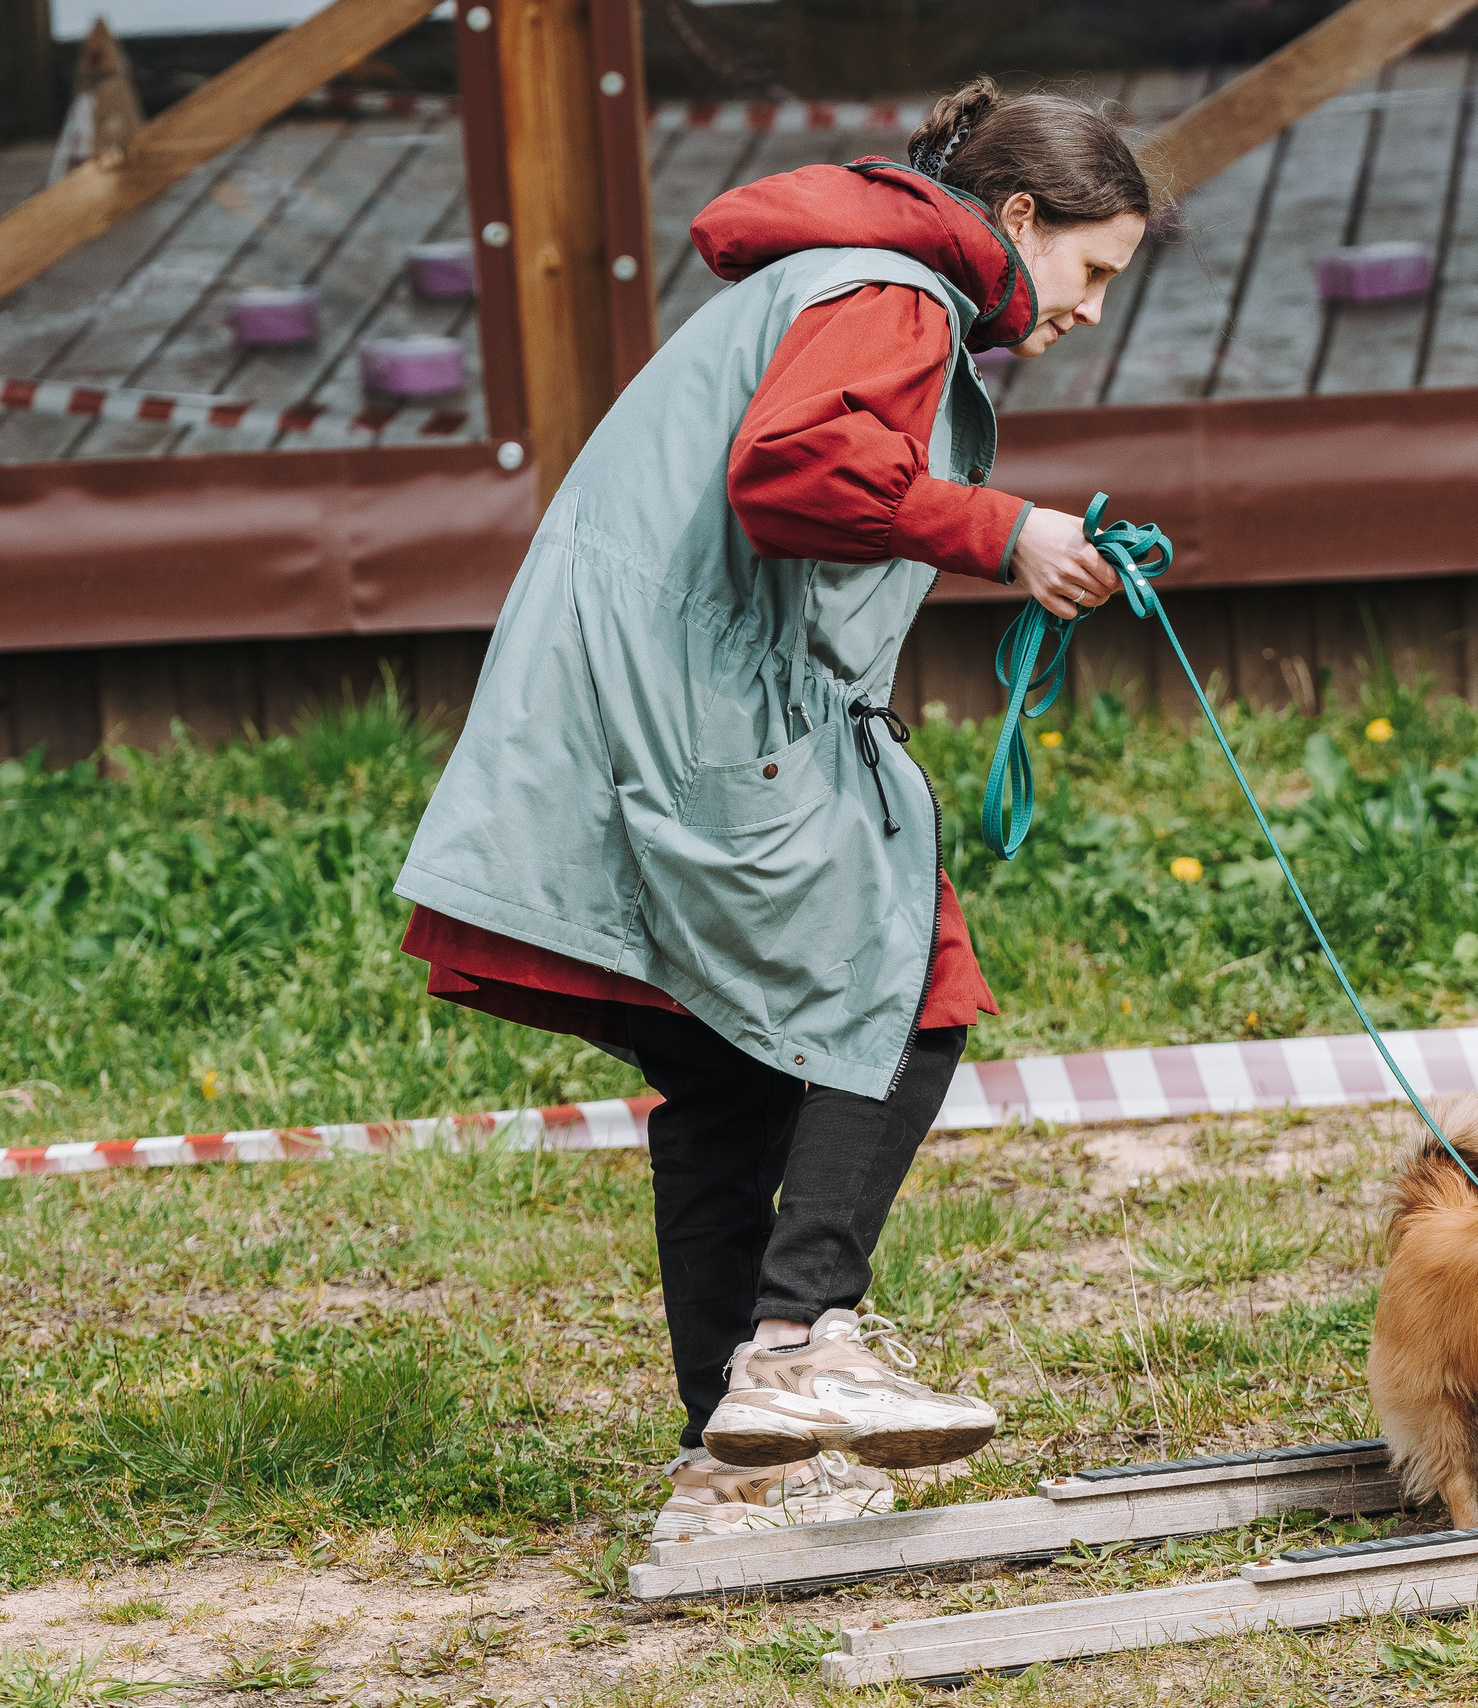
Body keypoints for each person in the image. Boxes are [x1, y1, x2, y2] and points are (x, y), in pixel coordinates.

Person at [393, 78, 1150, 1539]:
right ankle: (807, 1344)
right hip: (703, 725)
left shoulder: (833, 279)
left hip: (618, 709)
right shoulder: (901, 296)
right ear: (1016, 220)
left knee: (729, 1076)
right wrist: (1009, 528)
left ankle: (731, 1464)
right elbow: (793, 474)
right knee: (914, 986)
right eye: (1092, 270)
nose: (1093, 310)